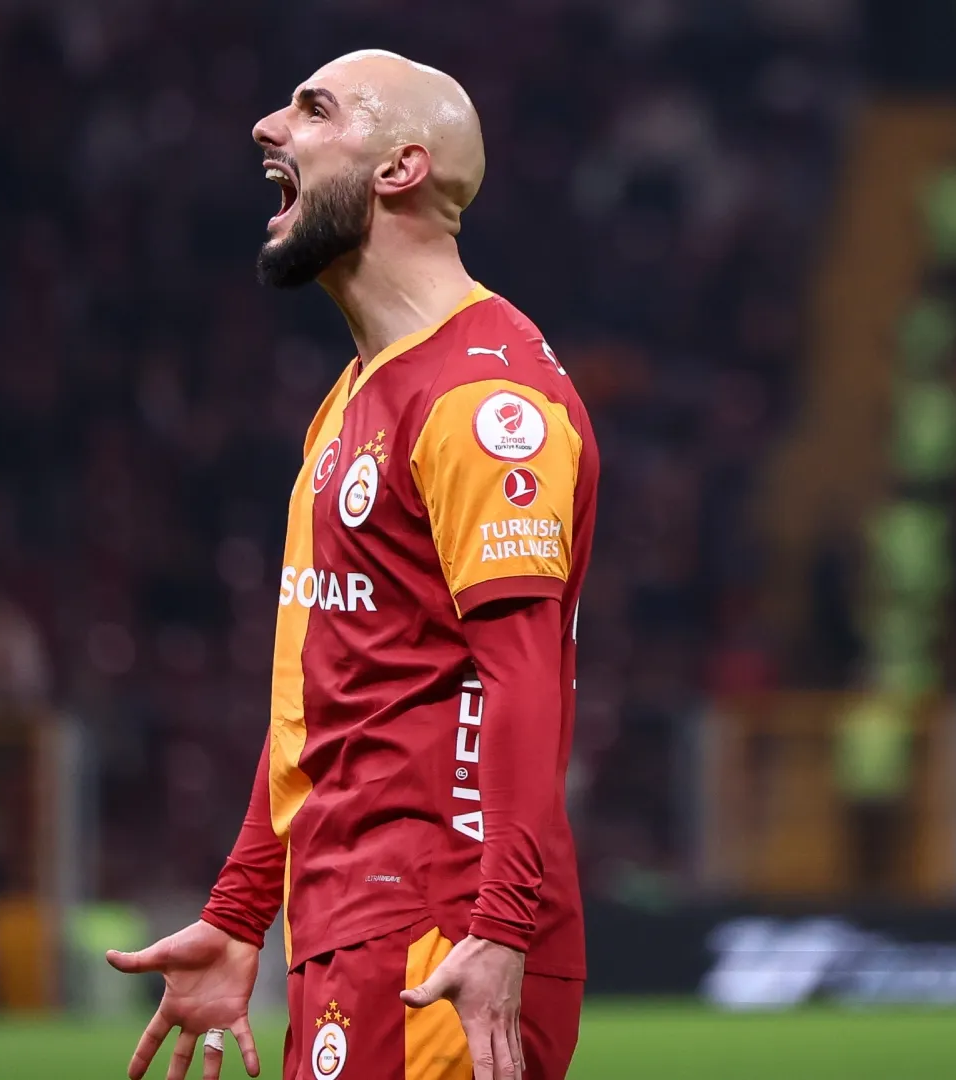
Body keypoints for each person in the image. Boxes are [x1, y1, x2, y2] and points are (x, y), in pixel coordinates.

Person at [108, 51, 599, 1080]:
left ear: (399, 168)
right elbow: (319, 693)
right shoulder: (351, 401)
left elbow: (521, 681)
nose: (264, 128)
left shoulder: (482, 403)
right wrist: (243, 912)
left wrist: (500, 930)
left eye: (312, 109)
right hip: (347, 922)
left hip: (444, 934)